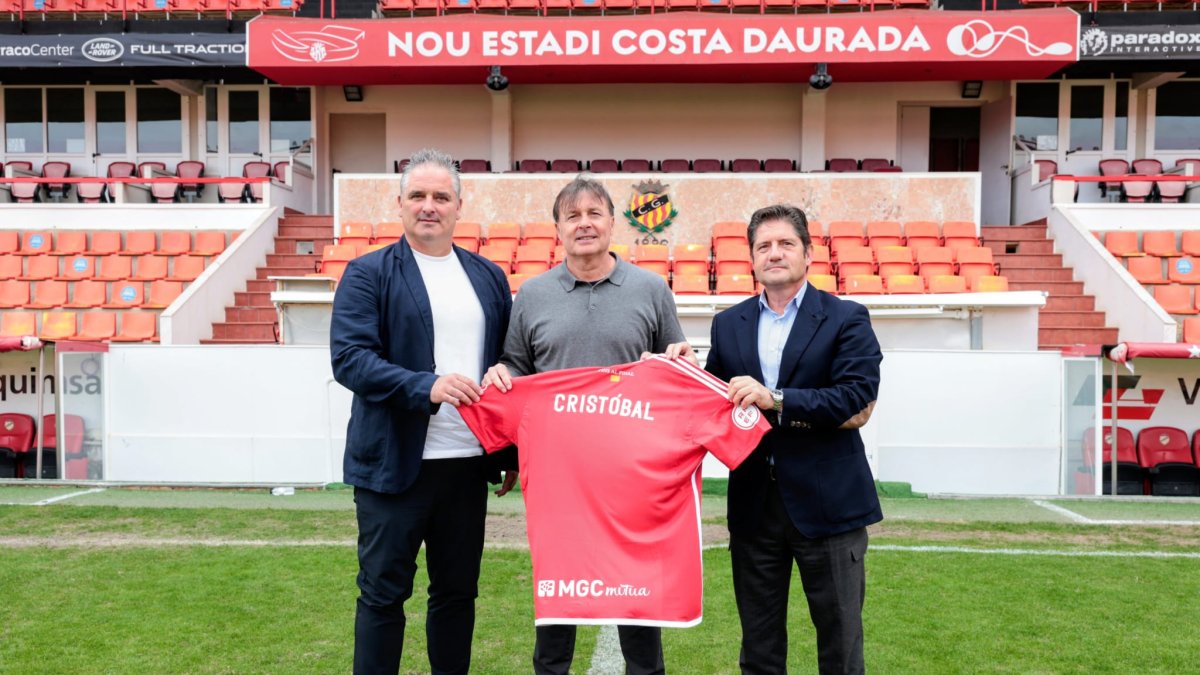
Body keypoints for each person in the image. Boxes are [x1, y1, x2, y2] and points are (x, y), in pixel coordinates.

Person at [482, 175, 693, 675]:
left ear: (611, 222)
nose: (584, 224)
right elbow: (517, 368)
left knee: (639, 604)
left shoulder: (651, 288)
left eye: (594, 213)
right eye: (572, 216)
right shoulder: (532, 295)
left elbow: (673, 365)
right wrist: (501, 373)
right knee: (558, 599)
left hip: (634, 476)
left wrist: (685, 358)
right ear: (557, 229)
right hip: (560, 480)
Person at [330, 148, 513, 675]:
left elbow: (507, 366)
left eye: (440, 196)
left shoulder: (488, 278)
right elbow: (351, 361)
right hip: (394, 467)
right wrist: (425, 387)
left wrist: (509, 450)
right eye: (418, 195)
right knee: (383, 596)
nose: (428, 206)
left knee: (457, 595)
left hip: (465, 465)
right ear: (400, 203)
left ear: (459, 206)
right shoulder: (367, 274)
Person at [704, 204, 882, 675]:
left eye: (786, 243)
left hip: (830, 508)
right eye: (764, 245)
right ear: (751, 259)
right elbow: (711, 401)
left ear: (808, 254)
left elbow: (855, 396)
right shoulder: (728, 324)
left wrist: (775, 400)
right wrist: (677, 365)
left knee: (840, 647)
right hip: (753, 508)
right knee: (759, 650)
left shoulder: (846, 317)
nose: (774, 253)